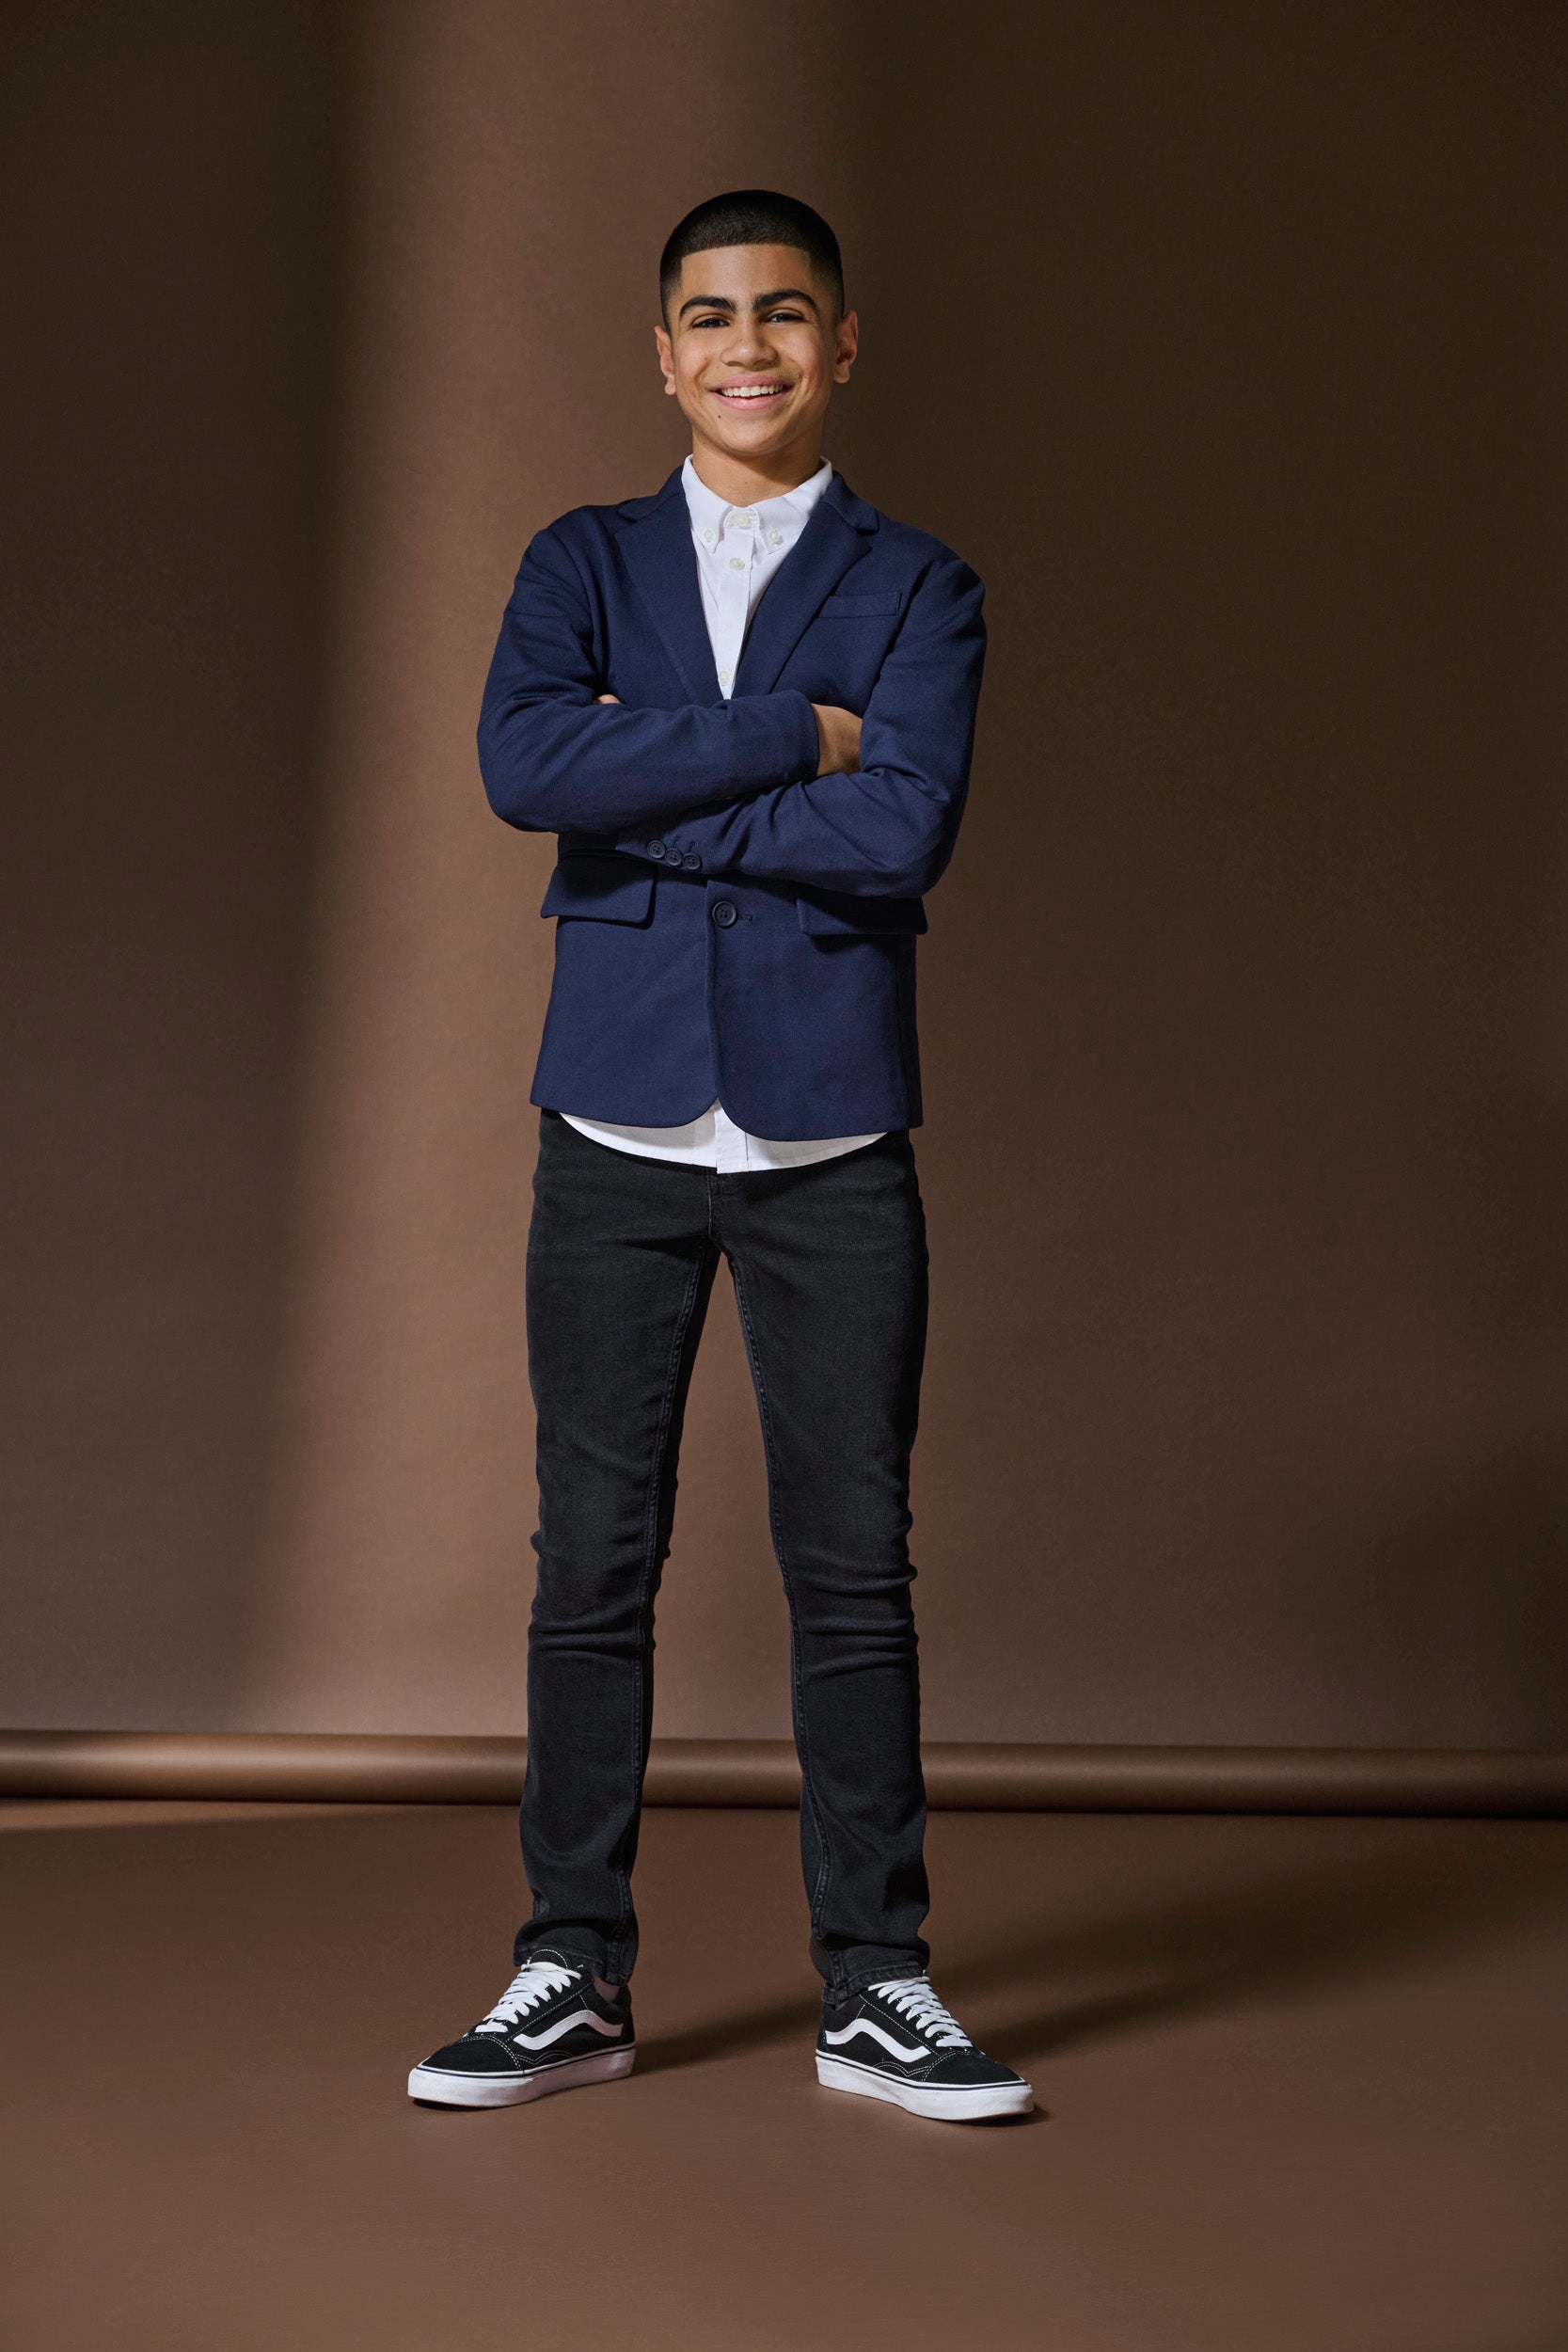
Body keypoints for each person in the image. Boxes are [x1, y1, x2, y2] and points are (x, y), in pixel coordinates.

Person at [408, 190, 1032, 2124]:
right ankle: (570, 1967)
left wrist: (651, 781)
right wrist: (791, 738)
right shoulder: (579, 560)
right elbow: (525, 769)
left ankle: (879, 1981)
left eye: (781, 311)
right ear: (662, 353)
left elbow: (900, 834)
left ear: (842, 342)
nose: (744, 344)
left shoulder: (923, 584)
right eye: (708, 315)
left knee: (853, 1565)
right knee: (591, 1558)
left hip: (831, 1130)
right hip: (614, 1122)